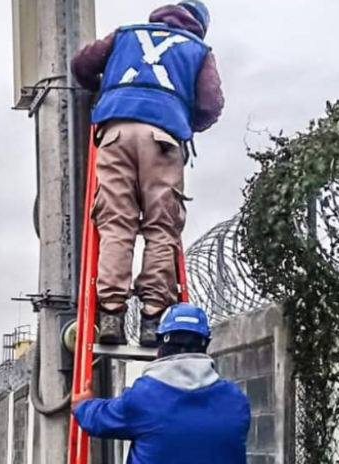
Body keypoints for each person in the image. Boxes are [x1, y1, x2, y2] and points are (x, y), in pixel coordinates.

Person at [71, 1, 224, 346]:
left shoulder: (126, 35)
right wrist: (183, 121)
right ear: (199, 25)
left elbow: (81, 65)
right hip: (164, 139)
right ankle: (153, 317)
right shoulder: (199, 51)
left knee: (116, 223)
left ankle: (111, 314)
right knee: (161, 226)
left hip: (115, 133)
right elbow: (210, 104)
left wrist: (108, 87)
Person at [72, 303, 251, 464]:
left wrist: (82, 405)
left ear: (161, 346)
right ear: (205, 345)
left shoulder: (145, 397)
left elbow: (99, 419)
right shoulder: (236, 401)